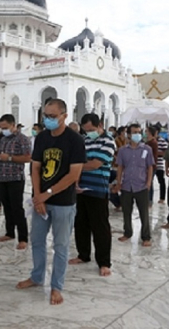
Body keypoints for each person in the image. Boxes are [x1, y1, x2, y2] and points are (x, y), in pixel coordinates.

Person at [16, 99, 85, 305]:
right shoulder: (42, 137)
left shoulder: (75, 140)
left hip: (63, 202)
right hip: (41, 200)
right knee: (37, 241)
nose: (48, 120)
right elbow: (35, 167)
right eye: (45, 116)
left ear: (64, 116)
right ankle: (37, 276)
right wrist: (38, 196)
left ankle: (56, 286)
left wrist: (47, 194)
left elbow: (74, 175)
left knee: (61, 245)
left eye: (52, 116)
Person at [69, 113, 115, 277]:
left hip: (98, 190)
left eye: (92, 129)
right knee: (81, 224)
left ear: (100, 125)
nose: (89, 133)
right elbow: (79, 162)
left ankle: (104, 262)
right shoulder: (85, 141)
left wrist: (78, 167)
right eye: (86, 130)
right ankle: (83, 254)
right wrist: (75, 179)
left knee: (100, 227)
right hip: (81, 189)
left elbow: (95, 164)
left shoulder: (108, 141)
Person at [115, 123, 155, 246]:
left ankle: (146, 237)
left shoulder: (146, 149)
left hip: (141, 185)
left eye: (139, 132)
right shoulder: (122, 151)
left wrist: (148, 182)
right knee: (126, 211)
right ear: (129, 134)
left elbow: (150, 167)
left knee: (144, 213)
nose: (137, 134)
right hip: (127, 185)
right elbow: (120, 167)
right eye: (134, 132)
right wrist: (118, 182)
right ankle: (127, 232)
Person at [0, 114, 32, 250]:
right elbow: (1, 154)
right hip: (2, 177)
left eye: (5, 127)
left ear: (13, 125)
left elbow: (28, 157)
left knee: (17, 208)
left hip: (15, 178)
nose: (3, 130)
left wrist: (9, 158)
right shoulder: (3, 139)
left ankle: (23, 238)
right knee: (7, 207)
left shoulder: (22, 139)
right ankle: (9, 232)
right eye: (1, 127)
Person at [145, 126, 159, 206]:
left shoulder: (152, 143)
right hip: (148, 166)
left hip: (151, 166)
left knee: (149, 182)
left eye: (147, 131)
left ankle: (149, 200)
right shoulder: (149, 142)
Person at [155, 127, 169, 204]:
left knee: (161, 181)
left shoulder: (162, 141)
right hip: (150, 165)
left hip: (159, 164)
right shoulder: (148, 141)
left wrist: (157, 153)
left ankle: (162, 198)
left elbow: (166, 152)